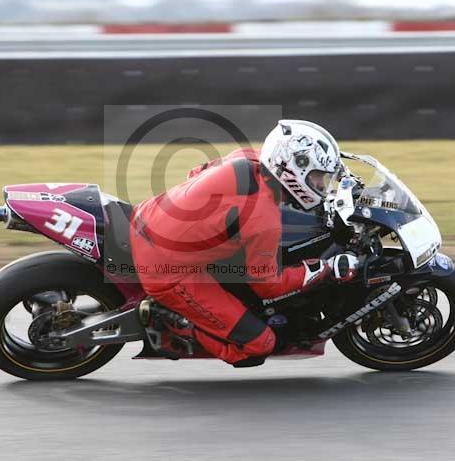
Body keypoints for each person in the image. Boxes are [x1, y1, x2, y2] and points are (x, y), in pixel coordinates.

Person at [129, 120, 359, 367]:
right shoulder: (263, 220)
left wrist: (216, 227)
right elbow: (267, 285)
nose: (321, 187)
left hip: (146, 214)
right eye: (316, 178)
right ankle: (170, 323)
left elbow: (196, 172)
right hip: (166, 270)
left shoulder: (250, 158)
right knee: (257, 345)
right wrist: (323, 268)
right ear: (294, 170)